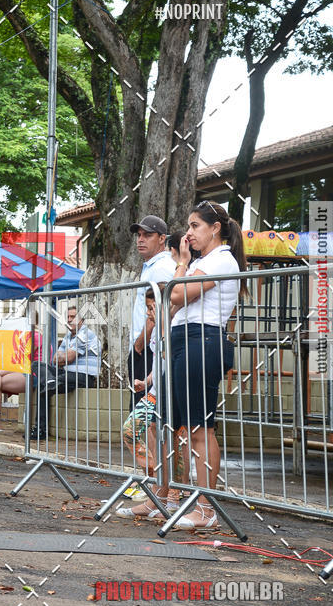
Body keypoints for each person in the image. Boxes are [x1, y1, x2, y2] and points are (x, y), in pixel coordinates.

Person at [126, 200, 246, 530]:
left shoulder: (221, 259)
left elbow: (176, 296)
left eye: (194, 226)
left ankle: (205, 507)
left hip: (202, 341)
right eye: (189, 226)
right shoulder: (203, 261)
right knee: (165, 425)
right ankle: (162, 497)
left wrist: (180, 264)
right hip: (182, 341)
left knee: (198, 428)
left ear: (215, 228)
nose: (189, 233)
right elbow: (169, 304)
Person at [31, 305, 100, 441]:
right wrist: (63, 357)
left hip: (83, 376)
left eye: (73, 317)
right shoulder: (68, 337)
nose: (69, 320)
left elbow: (68, 358)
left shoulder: (85, 334)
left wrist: (64, 357)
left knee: (60, 378)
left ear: (81, 320)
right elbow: (55, 359)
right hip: (66, 375)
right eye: (67, 317)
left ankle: (52, 381)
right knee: (37, 366)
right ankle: (40, 430)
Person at [129, 216, 176, 406]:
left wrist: (139, 345)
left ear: (162, 238)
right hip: (147, 347)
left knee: (145, 415)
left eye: (147, 235)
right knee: (144, 413)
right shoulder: (152, 266)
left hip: (150, 348)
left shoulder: (162, 268)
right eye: (139, 235)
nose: (140, 239)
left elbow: (156, 310)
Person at [0, 324, 48, 434]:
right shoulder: (29, 336)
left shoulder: (35, 336)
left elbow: (23, 359)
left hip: (37, 375)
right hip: (29, 372)